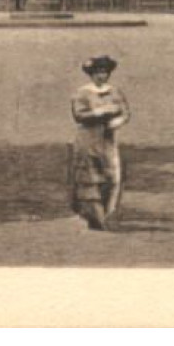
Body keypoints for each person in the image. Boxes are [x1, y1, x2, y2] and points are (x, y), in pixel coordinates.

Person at [69, 55, 130, 231]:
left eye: (105, 72)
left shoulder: (115, 92)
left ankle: (107, 213)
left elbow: (124, 112)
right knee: (90, 177)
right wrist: (100, 112)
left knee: (111, 177)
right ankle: (94, 217)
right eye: (98, 72)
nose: (102, 76)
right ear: (91, 74)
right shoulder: (82, 93)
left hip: (108, 140)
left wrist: (119, 121)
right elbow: (79, 115)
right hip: (88, 138)